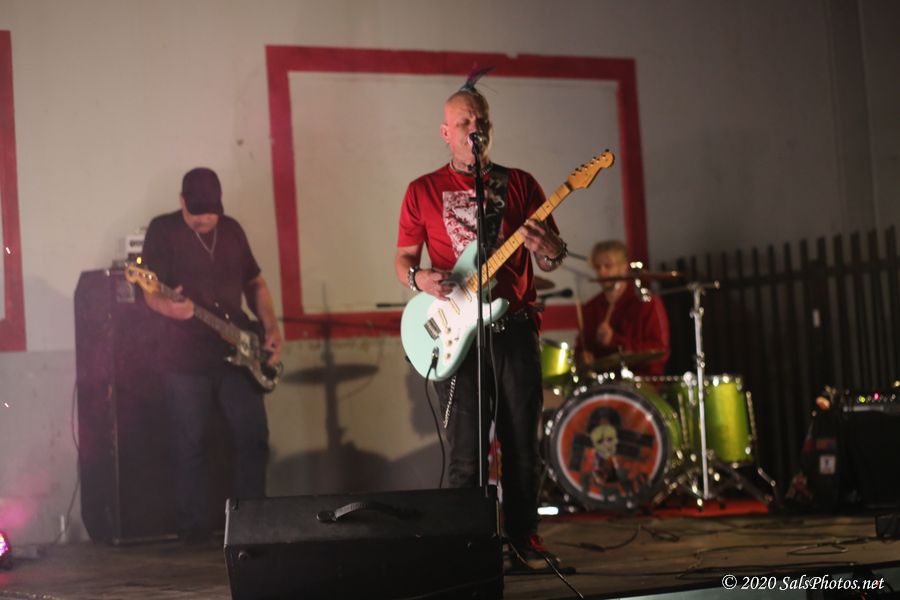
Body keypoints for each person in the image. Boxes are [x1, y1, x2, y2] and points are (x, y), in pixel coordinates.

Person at [394, 75, 567, 570]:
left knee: (522, 442)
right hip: (456, 332)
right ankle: (464, 546)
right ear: (445, 132)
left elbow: (553, 256)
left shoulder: (521, 184)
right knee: (466, 451)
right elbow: (403, 260)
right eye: (465, 121)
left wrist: (550, 248)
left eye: (482, 120)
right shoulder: (421, 190)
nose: (476, 128)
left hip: (514, 328)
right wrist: (419, 279)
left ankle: (524, 538)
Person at [141, 167, 283, 544]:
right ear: (181, 202)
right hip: (184, 356)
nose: (203, 220)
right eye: (195, 213)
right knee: (190, 442)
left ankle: (252, 524)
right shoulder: (163, 230)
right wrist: (170, 309)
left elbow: (255, 283)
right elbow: (149, 291)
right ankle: (192, 532)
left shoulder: (232, 230)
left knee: (253, 436)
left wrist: (271, 326)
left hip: (238, 349)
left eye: (210, 213)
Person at [575, 240, 670, 376]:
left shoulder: (646, 302)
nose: (602, 272)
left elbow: (661, 351)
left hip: (643, 382)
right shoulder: (591, 307)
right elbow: (582, 348)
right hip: (603, 383)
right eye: (597, 267)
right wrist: (582, 358)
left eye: (608, 266)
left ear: (624, 267)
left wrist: (615, 340)